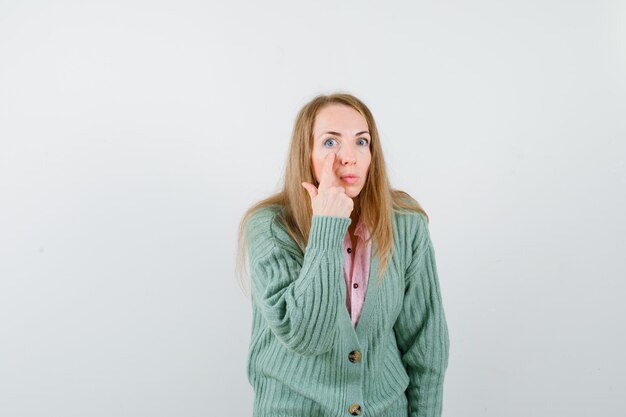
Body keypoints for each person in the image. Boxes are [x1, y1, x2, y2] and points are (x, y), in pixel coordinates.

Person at [236, 92, 449, 417]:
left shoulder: (406, 224)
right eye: (331, 143)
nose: (348, 156)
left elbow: (426, 349)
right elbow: (306, 336)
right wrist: (327, 226)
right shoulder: (270, 226)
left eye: (361, 142)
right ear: (305, 154)